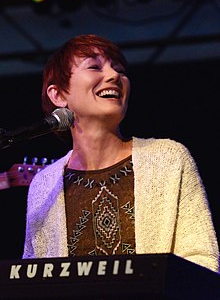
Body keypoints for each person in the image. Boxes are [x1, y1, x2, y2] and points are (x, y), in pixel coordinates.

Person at [22, 34, 219, 273]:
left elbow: (202, 259)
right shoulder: (44, 185)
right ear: (59, 95)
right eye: (94, 67)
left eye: (120, 70)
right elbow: (34, 273)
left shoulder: (169, 159)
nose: (114, 76)